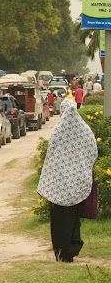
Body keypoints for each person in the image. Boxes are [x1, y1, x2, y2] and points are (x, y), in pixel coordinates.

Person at [37, 99, 98, 263]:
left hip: (58, 185)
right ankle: (72, 248)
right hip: (77, 184)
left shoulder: (59, 131)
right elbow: (93, 151)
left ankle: (61, 251)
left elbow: (51, 155)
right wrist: (83, 169)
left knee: (59, 220)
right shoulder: (85, 130)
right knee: (73, 219)